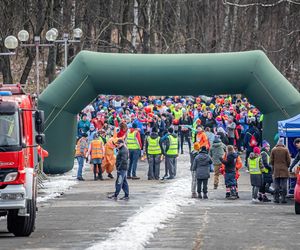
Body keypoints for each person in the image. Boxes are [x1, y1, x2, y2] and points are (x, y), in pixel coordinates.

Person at [270, 138, 291, 203]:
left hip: (276, 170)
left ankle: (276, 199)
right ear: (283, 144)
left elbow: (271, 161)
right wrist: (286, 166)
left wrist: (274, 165)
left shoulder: (273, 150)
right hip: (284, 170)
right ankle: (283, 199)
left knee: (276, 185)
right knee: (284, 185)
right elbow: (289, 160)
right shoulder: (286, 150)